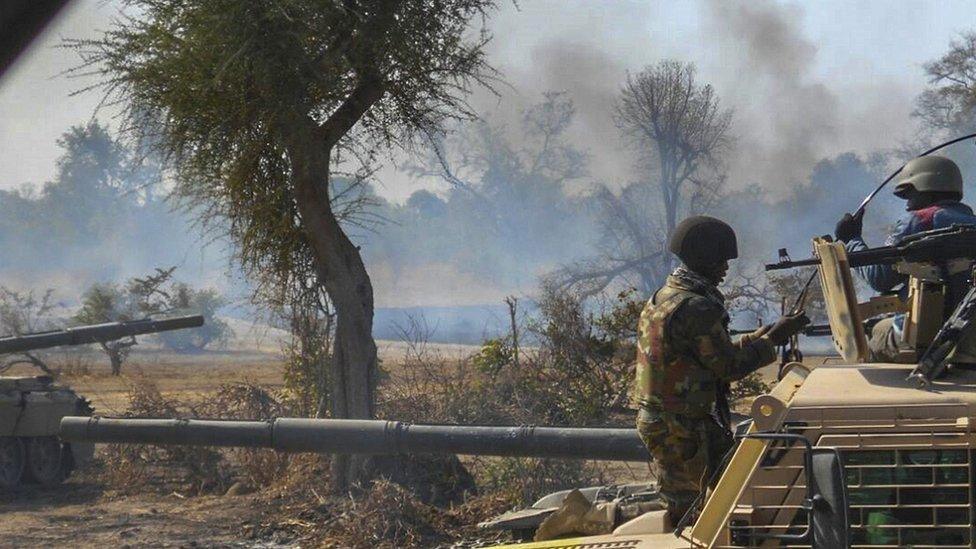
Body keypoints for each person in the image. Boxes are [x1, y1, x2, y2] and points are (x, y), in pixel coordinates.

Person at [634, 215, 809, 525]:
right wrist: (774, 340)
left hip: (670, 421)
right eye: (720, 261)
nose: (726, 268)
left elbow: (712, 354)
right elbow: (727, 366)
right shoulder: (698, 308)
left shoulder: (665, 296)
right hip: (680, 428)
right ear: (703, 258)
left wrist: (762, 336)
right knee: (696, 508)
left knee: (729, 484)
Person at [835, 155, 976, 362]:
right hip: (968, 339)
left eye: (910, 196)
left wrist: (852, 240)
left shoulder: (918, 221)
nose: (908, 206)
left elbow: (880, 279)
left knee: (870, 338)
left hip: (922, 338)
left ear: (926, 188)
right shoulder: (971, 226)